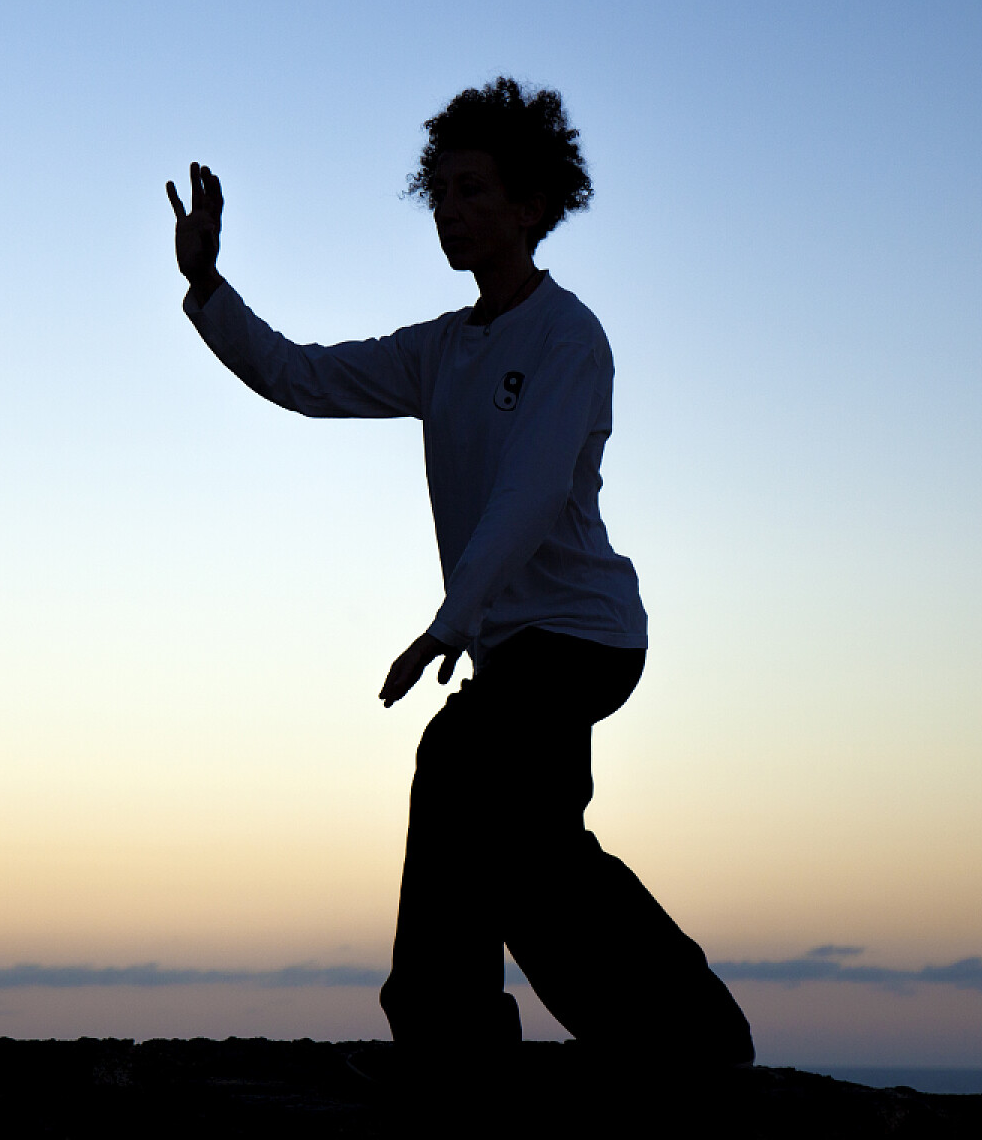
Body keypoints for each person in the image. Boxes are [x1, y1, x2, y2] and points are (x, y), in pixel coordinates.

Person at [166, 78, 752, 1069]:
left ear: (531, 208)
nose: (452, 208)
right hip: (510, 642)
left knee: (458, 760)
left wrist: (451, 618)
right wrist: (207, 289)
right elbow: (303, 379)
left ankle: (449, 1032)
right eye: (440, 190)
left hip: (582, 636)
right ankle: (682, 1032)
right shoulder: (442, 352)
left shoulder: (569, 337)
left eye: (474, 189)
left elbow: (531, 492)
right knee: (530, 853)